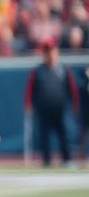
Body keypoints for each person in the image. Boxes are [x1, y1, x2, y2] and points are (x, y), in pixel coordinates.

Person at [24, 38, 78, 168]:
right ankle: (46, 160)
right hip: (43, 109)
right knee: (44, 136)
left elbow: (72, 88)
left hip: (60, 109)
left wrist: (75, 104)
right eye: (47, 51)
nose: (50, 54)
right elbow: (29, 90)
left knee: (63, 135)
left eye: (52, 50)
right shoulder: (37, 71)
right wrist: (28, 105)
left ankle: (67, 159)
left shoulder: (63, 69)